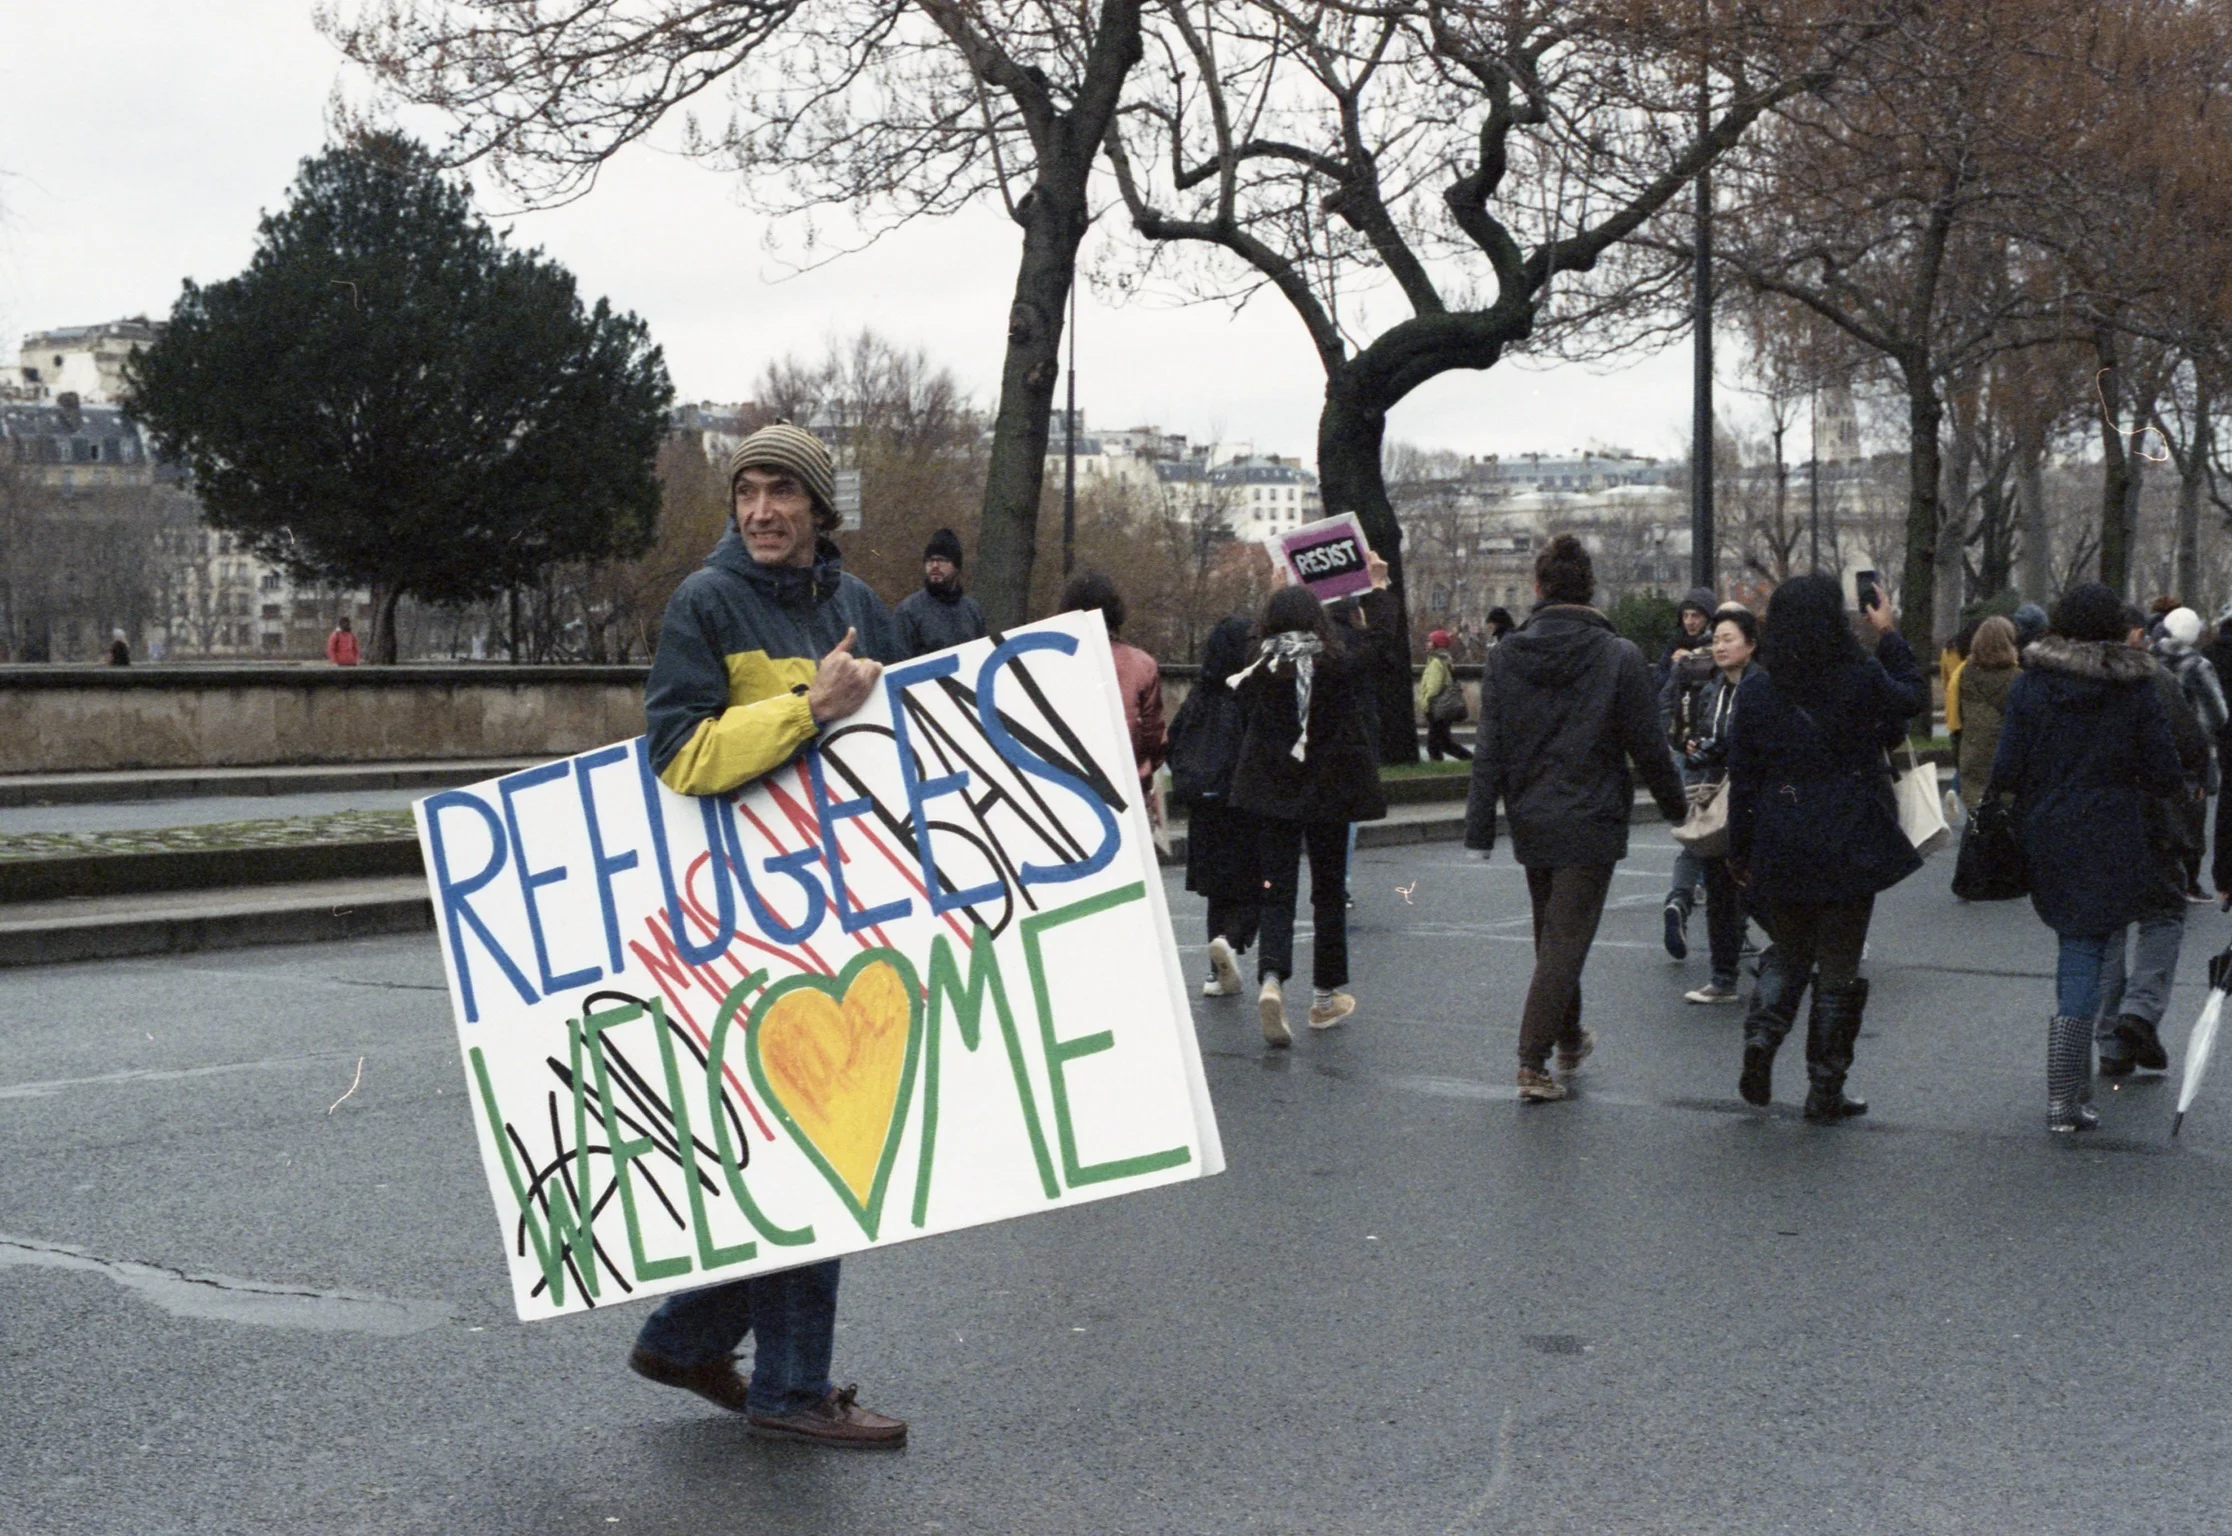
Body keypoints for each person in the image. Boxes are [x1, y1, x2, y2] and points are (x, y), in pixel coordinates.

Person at [629, 421, 908, 1448]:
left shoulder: (860, 606)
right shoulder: (705, 603)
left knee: (819, 1146)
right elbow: (679, 752)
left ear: (819, 508)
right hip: (742, 924)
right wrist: (809, 706)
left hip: (844, 914)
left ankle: (685, 1337)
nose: (760, 511)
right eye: (745, 491)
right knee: (821, 1147)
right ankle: (787, 1387)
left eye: (781, 492)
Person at [1465, 534, 1687, 1103]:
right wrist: (1681, 814)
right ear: (1590, 589)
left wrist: (1479, 829)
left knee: (1553, 932)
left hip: (1532, 812)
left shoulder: (1507, 654)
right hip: (1591, 812)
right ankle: (1532, 1061)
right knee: (1566, 936)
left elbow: (1488, 746)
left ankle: (1567, 1039)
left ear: (1537, 589)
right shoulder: (1618, 656)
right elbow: (1649, 747)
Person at [1726, 574, 1926, 1122]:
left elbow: (1743, 778)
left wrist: (1740, 850)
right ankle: (1825, 1087)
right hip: (1849, 833)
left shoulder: (1759, 690)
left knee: (1789, 951)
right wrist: (1887, 634)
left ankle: (1763, 1039)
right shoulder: (1859, 677)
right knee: (1838, 965)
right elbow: (1912, 697)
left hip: (1781, 829)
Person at [1989, 582, 2182, 1134]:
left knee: (2075, 946)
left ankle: (2064, 1094)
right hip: (2114, 830)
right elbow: (2165, 771)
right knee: (2093, 946)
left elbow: (2005, 769)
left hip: (2048, 829)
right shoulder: (2135, 687)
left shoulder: (2032, 686)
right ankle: (2070, 1095)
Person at [1228, 573, 1390, 1045]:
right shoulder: (1338, 661)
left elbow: (1249, 641)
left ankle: (1272, 979)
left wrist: (1276, 592)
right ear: (1319, 621)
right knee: (1327, 893)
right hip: (1330, 792)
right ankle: (1323, 999)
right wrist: (1376, 587)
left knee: (1276, 890)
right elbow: (1378, 640)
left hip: (1273, 792)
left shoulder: (1259, 663)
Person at [2096, 607, 2210, 1078]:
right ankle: (2138, 1012)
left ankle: (2110, 1041)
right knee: (2163, 913)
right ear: (2136, 635)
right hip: (2150, 818)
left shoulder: (2061, 680)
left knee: (2106, 927)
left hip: (2090, 821)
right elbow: (2190, 743)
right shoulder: (2153, 679)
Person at [1168, 615, 1265, 997]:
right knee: (1257, 883)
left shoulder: (1200, 694)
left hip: (1204, 805)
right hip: (1241, 801)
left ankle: (1215, 972)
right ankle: (1236, 939)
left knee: (1217, 893)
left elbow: (1174, 740)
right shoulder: (1249, 692)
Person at [1670, 605, 1761, 1005]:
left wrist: (1723, 746)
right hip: (1716, 798)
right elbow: (1704, 735)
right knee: (1721, 888)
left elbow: (1763, 741)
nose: (1719, 647)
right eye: (1716, 640)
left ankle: (1806, 950)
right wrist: (1694, 748)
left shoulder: (1763, 687)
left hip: (1756, 800)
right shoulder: (1712, 688)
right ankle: (1723, 977)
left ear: (1751, 644)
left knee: (1760, 886)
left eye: (1728, 639)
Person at [1061, 571, 1165, 798]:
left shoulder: (1049, 662)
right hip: (1126, 790)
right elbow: (1154, 738)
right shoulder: (1141, 665)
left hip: (1066, 793)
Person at [2154, 606, 2226, 899]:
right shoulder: (2197, 665)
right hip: (2191, 747)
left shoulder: (2148, 659)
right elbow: (2217, 713)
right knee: (2194, 811)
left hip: (2154, 744)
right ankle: (2190, 881)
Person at [1953, 616, 2019, 811]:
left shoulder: (1965, 674)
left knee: (1976, 826)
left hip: (1972, 761)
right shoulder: (2017, 679)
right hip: (2003, 768)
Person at [893, 527, 988, 658]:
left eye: (942, 560)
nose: (935, 566)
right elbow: (898, 663)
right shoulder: (908, 611)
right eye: (930, 560)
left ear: (956, 566)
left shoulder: (972, 610)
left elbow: (981, 656)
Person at [1416, 629, 1472, 762]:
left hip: (1437, 706)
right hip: (1443, 706)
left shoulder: (1436, 662)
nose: (1427, 643)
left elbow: (1434, 687)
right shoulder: (1444, 660)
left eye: (1430, 641)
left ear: (1437, 643)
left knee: (1435, 744)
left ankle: (1471, 760)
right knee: (1442, 742)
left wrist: (1426, 701)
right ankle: (1470, 760)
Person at [1657, 588, 1716, 690]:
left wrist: (1693, 662)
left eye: (1695, 616)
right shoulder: (1675, 643)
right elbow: (1658, 680)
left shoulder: (1717, 643)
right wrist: (1674, 665)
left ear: (1708, 618)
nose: (1689, 622)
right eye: (1685, 616)